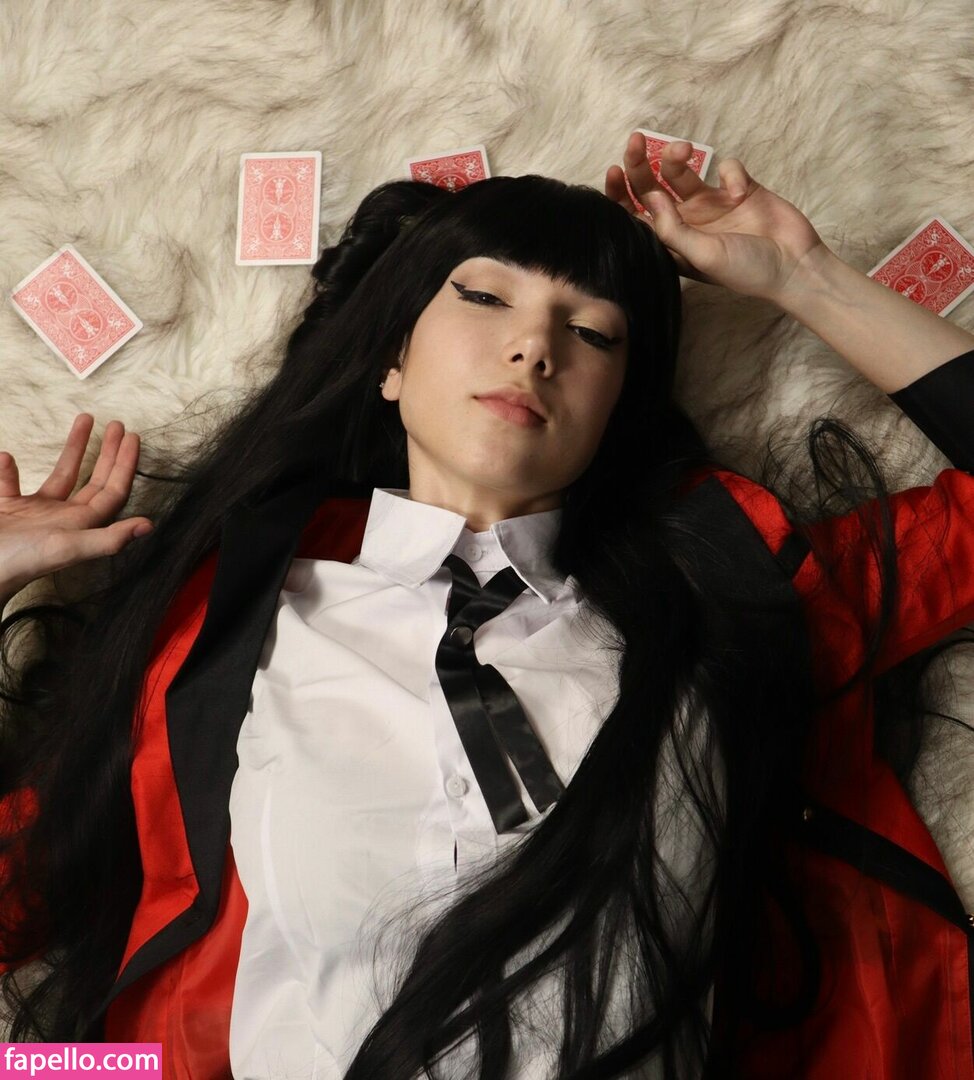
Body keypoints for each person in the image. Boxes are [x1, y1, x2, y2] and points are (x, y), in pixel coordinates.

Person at [0, 130, 973, 1079]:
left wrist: (803, 275)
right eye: (483, 296)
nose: (533, 346)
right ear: (391, 362)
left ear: (617, 411)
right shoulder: (219, 639)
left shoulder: (733, 602)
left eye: (590, 332)